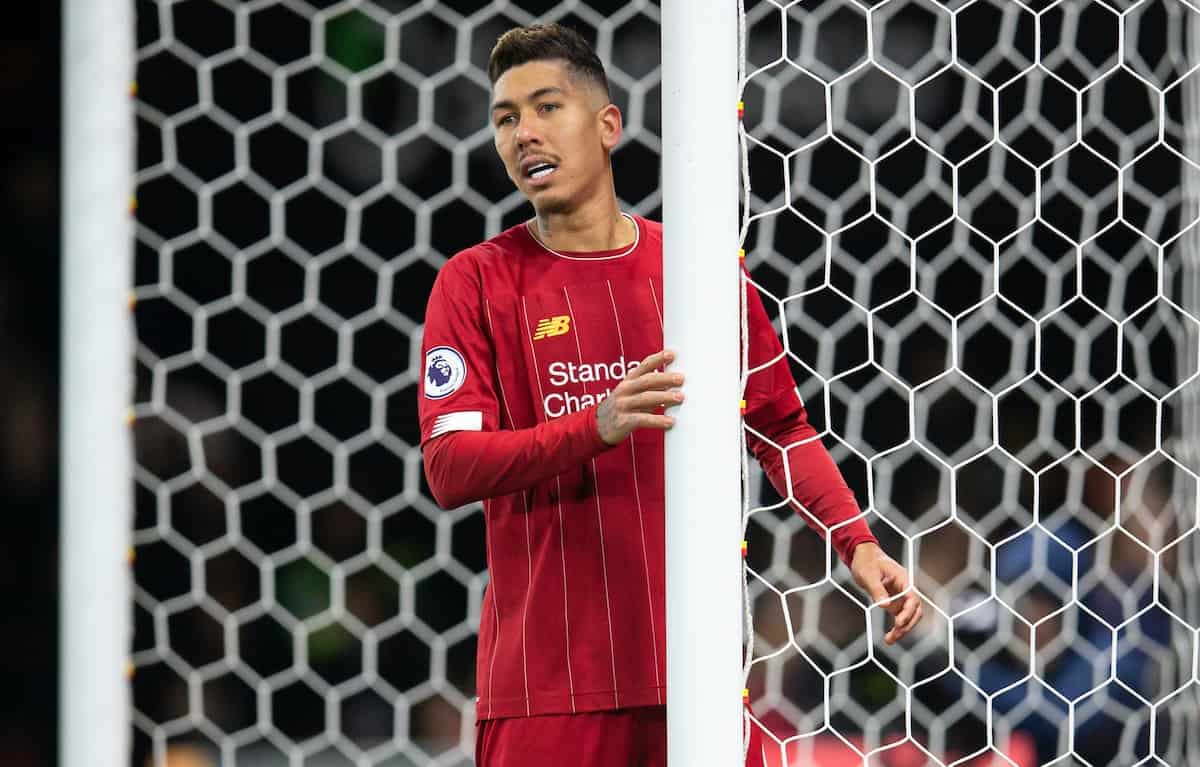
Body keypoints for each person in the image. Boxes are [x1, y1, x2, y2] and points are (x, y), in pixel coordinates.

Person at [417, 22, 922, 767]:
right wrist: (597, 423)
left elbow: (779, 423)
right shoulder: (476, 281)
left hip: (697, 681)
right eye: (504, 118)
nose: (524, 133)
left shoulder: (695, 269)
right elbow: (450, 465)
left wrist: (858, 540)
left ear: (607, 123)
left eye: (546, 106)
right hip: (546, 694)